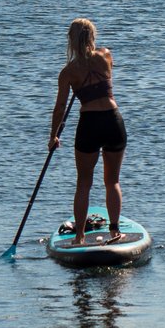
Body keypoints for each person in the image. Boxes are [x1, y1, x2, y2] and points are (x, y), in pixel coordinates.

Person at [49, 18, 127, 245]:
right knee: (112, 181)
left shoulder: (68, 72)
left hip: (90, 124)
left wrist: (53, 136)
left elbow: (60, 108)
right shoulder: (106, 56)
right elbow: (103, 77)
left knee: (84, 182)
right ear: (92, 37)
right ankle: (114, 231)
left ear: (71, 41)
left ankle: (80, 237)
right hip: (113, 121)